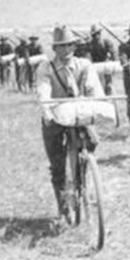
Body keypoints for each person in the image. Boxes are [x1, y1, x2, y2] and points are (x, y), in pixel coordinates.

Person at [35, 26, 104, 224]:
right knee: (57, 163)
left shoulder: (84, 65)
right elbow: (43, 90)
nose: (67, 50)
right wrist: (47, 110)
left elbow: (94, 90)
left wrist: (96, 103)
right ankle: (64, 207)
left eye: (70, 45)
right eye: (62, 46)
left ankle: (81, 177)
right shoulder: (45, 67)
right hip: (55, 117)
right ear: (55, 49)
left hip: (78, 115)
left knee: (92, 141)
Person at [86, 24, 117, 95]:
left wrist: (113, 64)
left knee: (109, 86)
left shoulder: (106, 42)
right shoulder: (90, 44)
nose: (96, 36)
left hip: (106, 66)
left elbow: (114, 53)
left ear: (100, 33)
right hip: (95, 67)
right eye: (94, 35)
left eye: (97, 34)